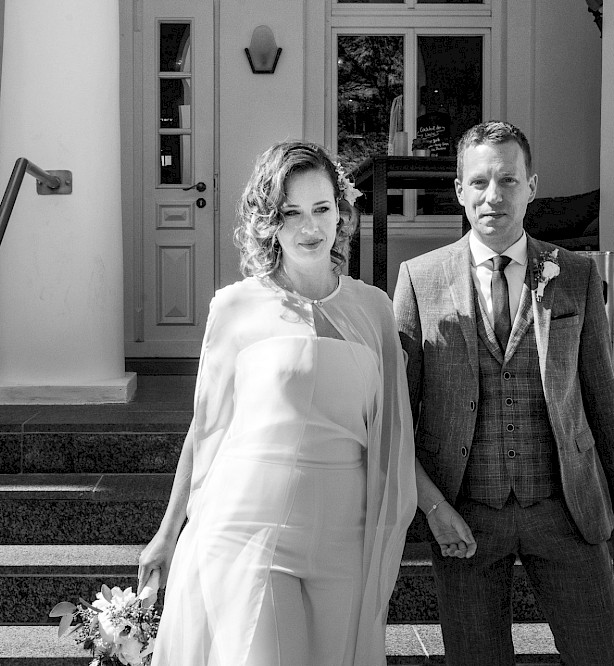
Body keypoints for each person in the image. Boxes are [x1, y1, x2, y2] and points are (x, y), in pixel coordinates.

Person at [139, 141, 417, 666]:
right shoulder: (235, 307)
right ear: (269, 222)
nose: (309, 228)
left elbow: (394, 433)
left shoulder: (376, 310)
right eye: (291, 213)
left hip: (345, 537)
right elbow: (206, 430)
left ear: (341, 211)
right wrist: (166, 532)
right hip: (250, 531)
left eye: (321, 209)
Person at [393, 120, 614, 665]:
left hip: (566, 509)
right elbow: (397, 420)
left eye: (508, 180)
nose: (493, 196)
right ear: (459, 190)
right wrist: (432, 508)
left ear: (532, 185)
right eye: (479, 182)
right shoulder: (419, 279)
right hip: (465, 516)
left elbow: (602, 402)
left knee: (601, 656)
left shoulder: (575, 274)